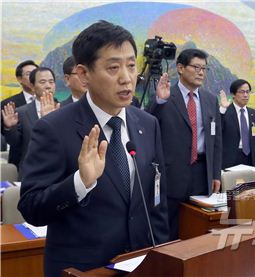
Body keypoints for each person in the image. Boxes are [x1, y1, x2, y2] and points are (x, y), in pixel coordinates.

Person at [17, 20, 169, 276]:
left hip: (140, 264)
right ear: (84, 74)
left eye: (131, 66)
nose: (126, 77)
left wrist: (163, 256)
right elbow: (32, 207)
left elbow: (157, 200)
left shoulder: (147, 124)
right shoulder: (54, 128)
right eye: (113, 67)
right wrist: (80, 183)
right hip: (83, 269)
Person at [147, 48, 222, 240]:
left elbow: (216, 141)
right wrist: (158, 101)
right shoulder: (165, 96)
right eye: (196, 67)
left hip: (202, 173)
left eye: (204, 69)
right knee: (170, 229)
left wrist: (215, 174)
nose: (201, 72)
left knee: (198, 228)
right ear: (180, 68)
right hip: (173, 174)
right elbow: (147, 125)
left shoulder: (210, 99)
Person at [2, 67, 60, 172]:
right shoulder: (22, 112)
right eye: (42, 82)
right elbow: (15, 144)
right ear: (32, 86)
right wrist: (9, 127)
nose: (48, 86)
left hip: (58, 170)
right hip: (30, 171)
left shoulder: (64, 109)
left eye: (51, 82)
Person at [218, 79, 255, 169]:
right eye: (242, 92)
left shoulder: (254, 114)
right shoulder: (225, 112)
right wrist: (223, 109)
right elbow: (217, 130)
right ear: (233, 94)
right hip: (230, 159)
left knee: (249, 183)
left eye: (248, 92)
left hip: (250, 158)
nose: (245, 95)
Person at [1, 60, 39, 165]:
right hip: (20, 161)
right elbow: (5, 135)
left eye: (35, 73)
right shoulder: (8, 104)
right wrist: (9, 127)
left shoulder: (52, 103)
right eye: (28, 74)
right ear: (19, 79)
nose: (33, 76)